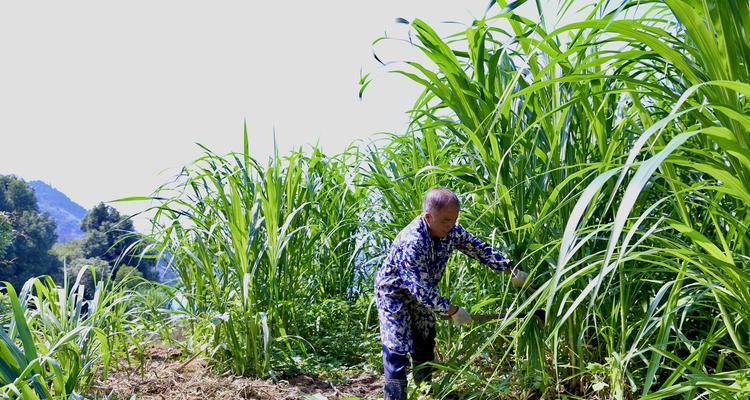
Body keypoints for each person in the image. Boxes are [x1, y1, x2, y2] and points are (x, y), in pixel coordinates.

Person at [374, 188, 528, 399]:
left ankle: (424, 391)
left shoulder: (451, 230)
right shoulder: (412, 241)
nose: (451, 225)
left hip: (423, 291)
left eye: (454, 219)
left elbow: (477, 247)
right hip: (394, 293)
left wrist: (510, 268)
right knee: (396, 347)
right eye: (446, 220)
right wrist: (453, 310)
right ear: (429, 217)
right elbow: (419, 289)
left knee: (425, 337)